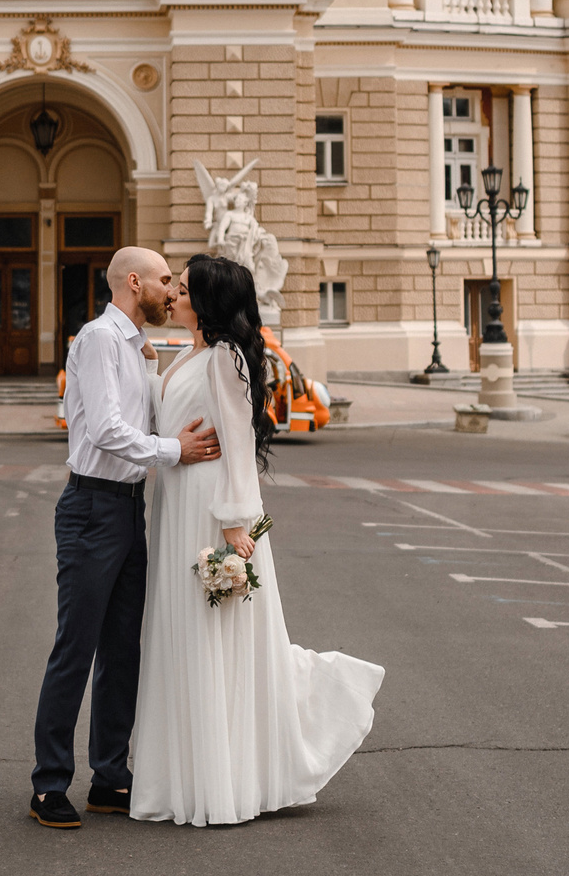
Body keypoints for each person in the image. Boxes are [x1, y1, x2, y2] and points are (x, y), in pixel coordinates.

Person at [130, 255, 384, 827]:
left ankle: (223, 777)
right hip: (176, 503)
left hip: (209, 510)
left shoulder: (224, 358)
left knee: (213, 639)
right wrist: (148, 365)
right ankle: (185, 774)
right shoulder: (190, 354)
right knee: (182, 632)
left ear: (207, 302)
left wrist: (234, 524)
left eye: (184, 288)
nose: (173, 294)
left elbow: (240, 444)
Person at [30, 248, 219, 831]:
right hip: (91, 507)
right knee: (76, 647)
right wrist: (173, 451)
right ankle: (49, 784)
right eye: (166, 281)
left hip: (128, 508)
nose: (172, 290)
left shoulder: (138, 347)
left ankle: (109, 776)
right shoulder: (97, 340)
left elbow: (136, 418)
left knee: (122, 651)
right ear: (134, 283)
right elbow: (108, 430)